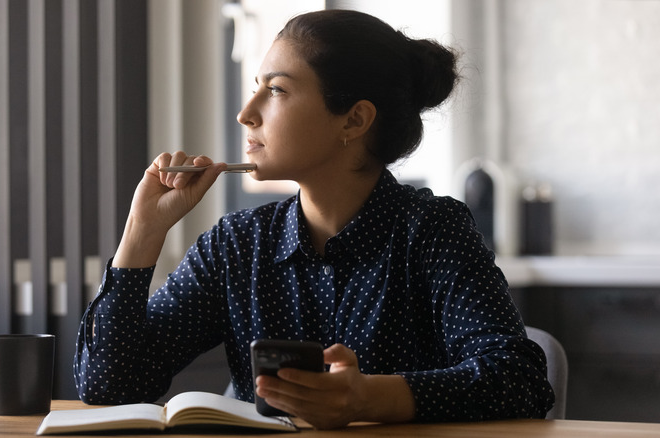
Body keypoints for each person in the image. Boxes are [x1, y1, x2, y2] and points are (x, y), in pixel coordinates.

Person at [74, 9, 554, 429]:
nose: (246, 113)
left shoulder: (432, 230)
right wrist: (143, 229)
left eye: (276, 90)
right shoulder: (237, 244)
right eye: (255, 88)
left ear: (354, 121)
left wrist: (369, 398)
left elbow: (521, 380)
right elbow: (108, 386)